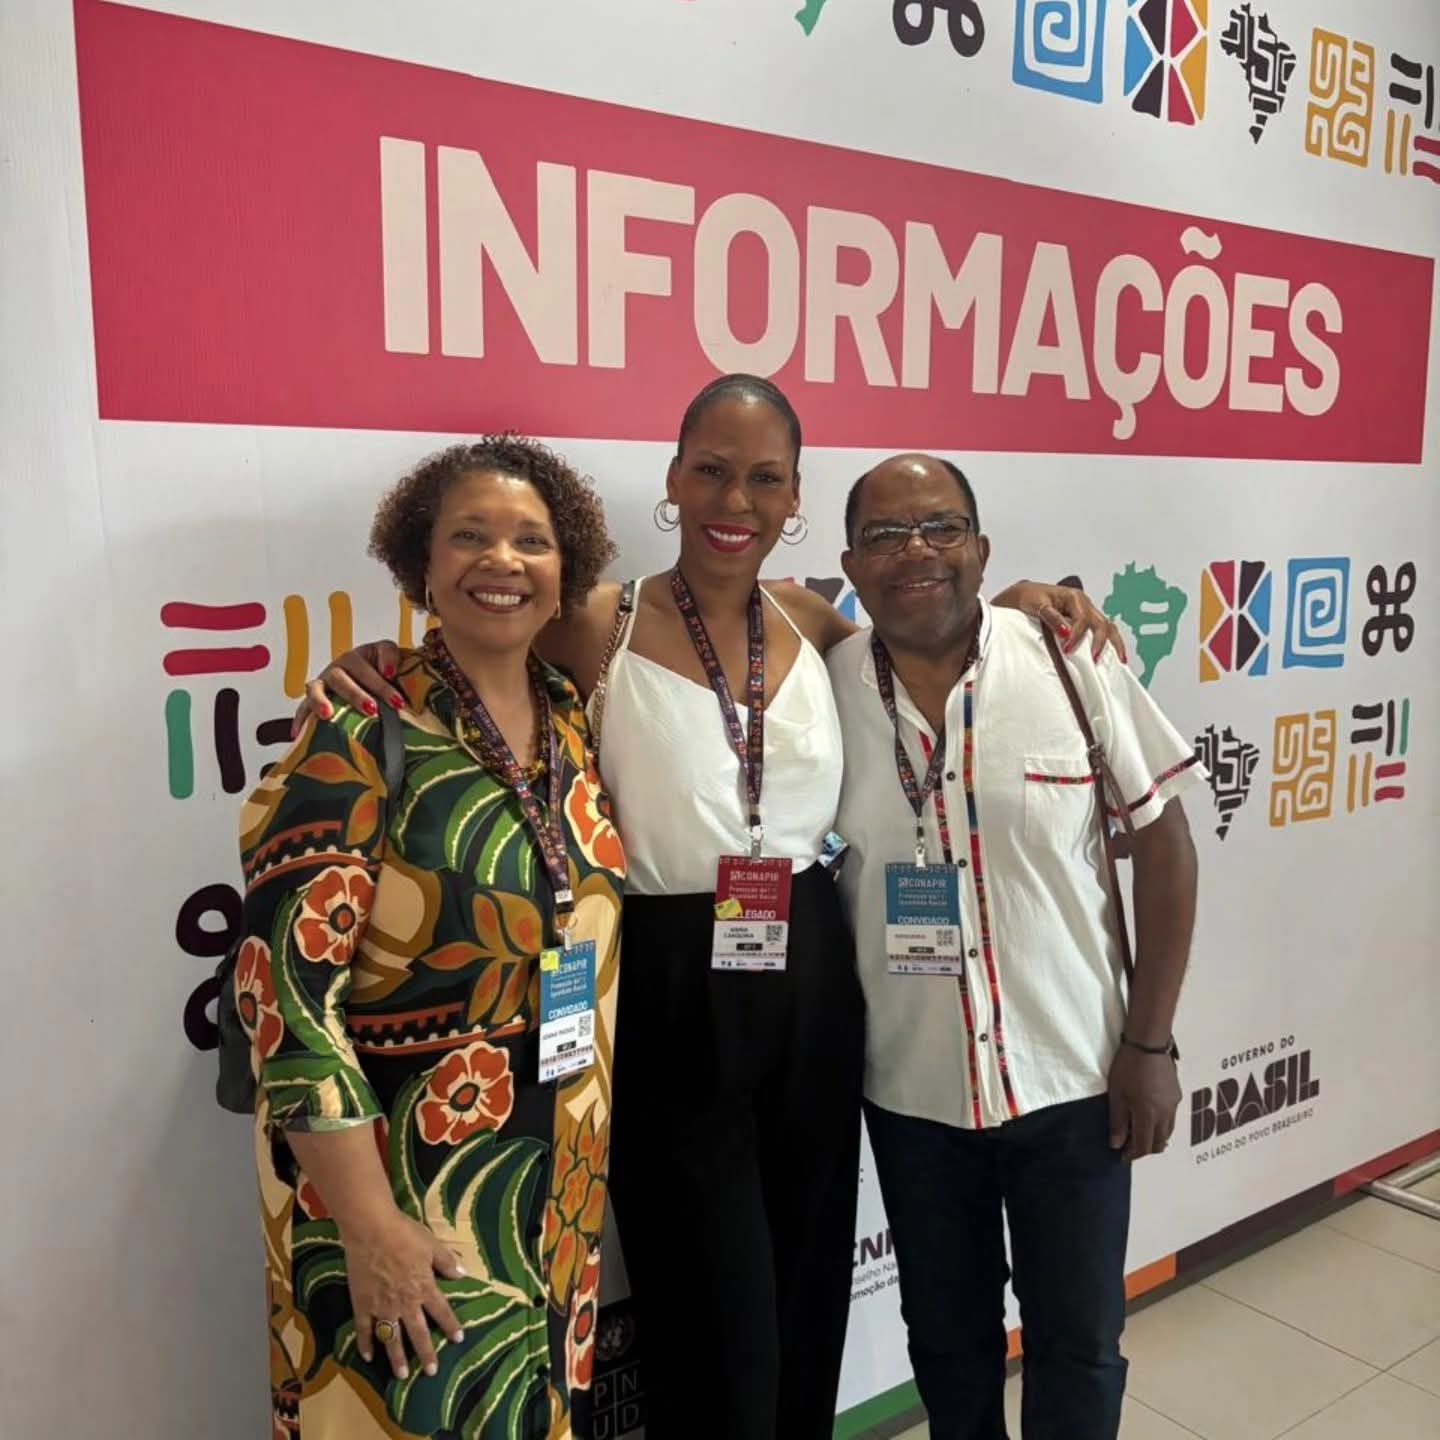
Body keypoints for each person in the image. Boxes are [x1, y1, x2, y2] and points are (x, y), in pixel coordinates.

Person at [306, 376, 1123, 1440]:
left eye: (766, 478)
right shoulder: (597, 621)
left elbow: (936, 628)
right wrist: (377, 664)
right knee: (713, 1317)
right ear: (675, 479)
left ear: (795, 499)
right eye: (713, 471)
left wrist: (1022, 603)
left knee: (809, 1294)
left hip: (814, 980)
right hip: (669, 987)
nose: (737, 499)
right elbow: (473, 654)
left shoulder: (816, 622)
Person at [234, 437, 627, 1440]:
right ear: (420, 562)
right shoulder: (364, 724)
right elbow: (285, 998)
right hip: (401, 1198)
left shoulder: (570, 719)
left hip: (553, 1193)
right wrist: (371, 1229)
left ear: (566, 571)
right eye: (469, 536)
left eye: (532, 541)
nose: (502, 561)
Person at [830, 453, 1202, 1440]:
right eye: (884, 535)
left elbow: (1166, 846)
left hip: (1075, 1082)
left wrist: (1150, 1043)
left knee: (1080, 1344)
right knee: (947, 1346)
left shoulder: (1070, 661)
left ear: (983, 549)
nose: (916, 550)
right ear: (850, 567)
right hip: (913, 1096)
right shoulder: (820, 690)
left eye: (942, 528)